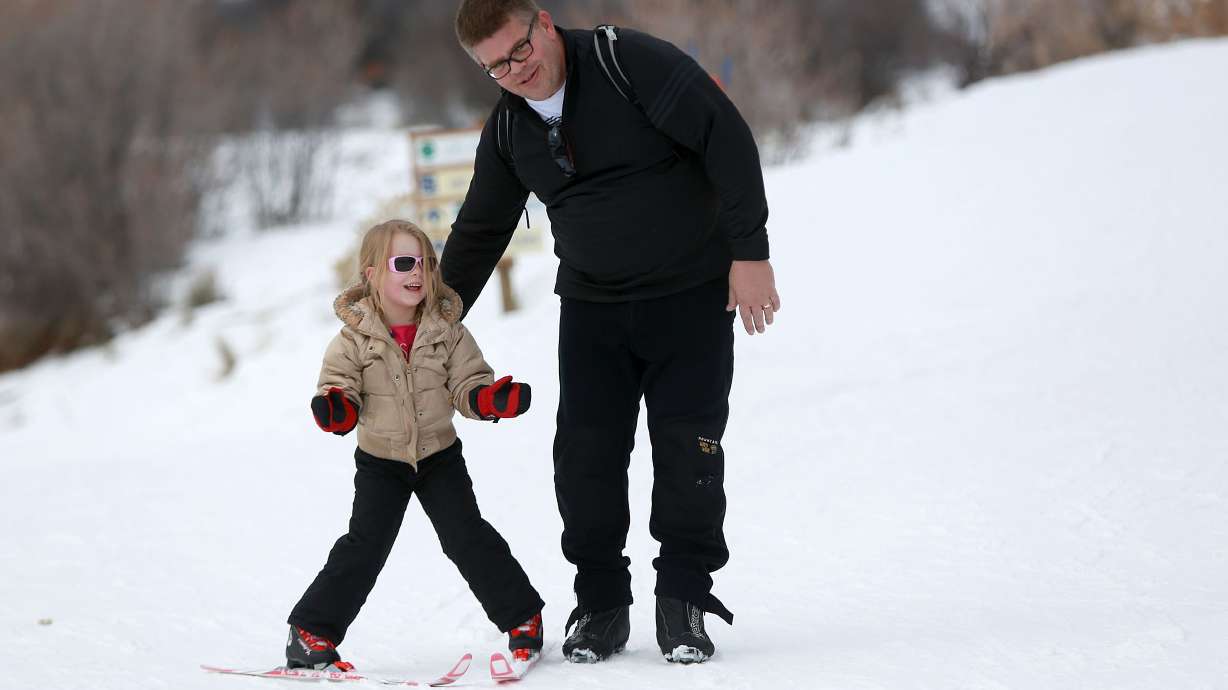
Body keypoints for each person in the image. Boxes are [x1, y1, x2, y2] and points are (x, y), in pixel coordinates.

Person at [443, 0, 781, 665]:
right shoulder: (509, 129)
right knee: (585, 457)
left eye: (520, 50)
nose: (515, 71)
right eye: (496, 67)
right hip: (593, 307)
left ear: (543, 23)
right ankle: (600, 604)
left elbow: (726, 137)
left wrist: (751, 253)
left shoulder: (628, 63)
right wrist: (433, 323)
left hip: (691, 294)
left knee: (689, 449)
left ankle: (684, 597)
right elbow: (480, 229)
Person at [284, 220, 545, 671]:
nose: (417, 272)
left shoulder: (447, 331)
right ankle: (311, 633)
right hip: (381, 460)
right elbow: (339, 384)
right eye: (404, 262)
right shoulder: (353, 339)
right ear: (371, 274)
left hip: (439, 456)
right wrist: (338, 408)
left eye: (425, 262)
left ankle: (523, 618)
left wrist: (488, 400)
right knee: (365, 546)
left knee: (466, 536)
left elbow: (466, 383)